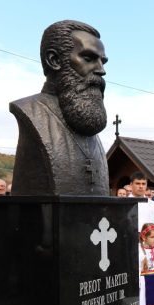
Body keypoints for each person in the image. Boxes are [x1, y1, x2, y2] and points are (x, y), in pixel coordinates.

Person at [10, 20, 110, 195]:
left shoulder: (90, 119)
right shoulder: (30, 110)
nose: (101, 70)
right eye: (89, 58)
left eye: (103, 61)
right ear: (54, 60)